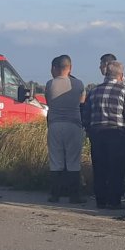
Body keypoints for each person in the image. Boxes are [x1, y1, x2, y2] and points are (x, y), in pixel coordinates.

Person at [83, 60, 125, 210]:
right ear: (121, 75)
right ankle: (114, 201)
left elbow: (86, 114)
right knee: (117, 168)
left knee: (100, 167)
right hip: (116, 133)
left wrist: (88, 130)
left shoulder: (94, 91)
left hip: (97, 132)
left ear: (106, 74)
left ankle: (101, 200)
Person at [45, 55, 86, 203]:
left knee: (56, 160)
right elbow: (81, 102)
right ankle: (74, 196)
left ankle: (55, 194)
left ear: (55, 68)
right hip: (74, 125)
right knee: (73, 161)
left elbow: (49, 102)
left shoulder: (50, 84)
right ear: (70, 68)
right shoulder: (79, 84)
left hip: (55, 124)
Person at [98, 53, 125, 202]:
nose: (100, 67)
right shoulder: (109, 81)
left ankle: (122, 190)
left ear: (108, 65)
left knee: (118, 163)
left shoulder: (121, 80)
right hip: (115, 127)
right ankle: (111, 191)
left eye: (102, 64)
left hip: (117, 127)